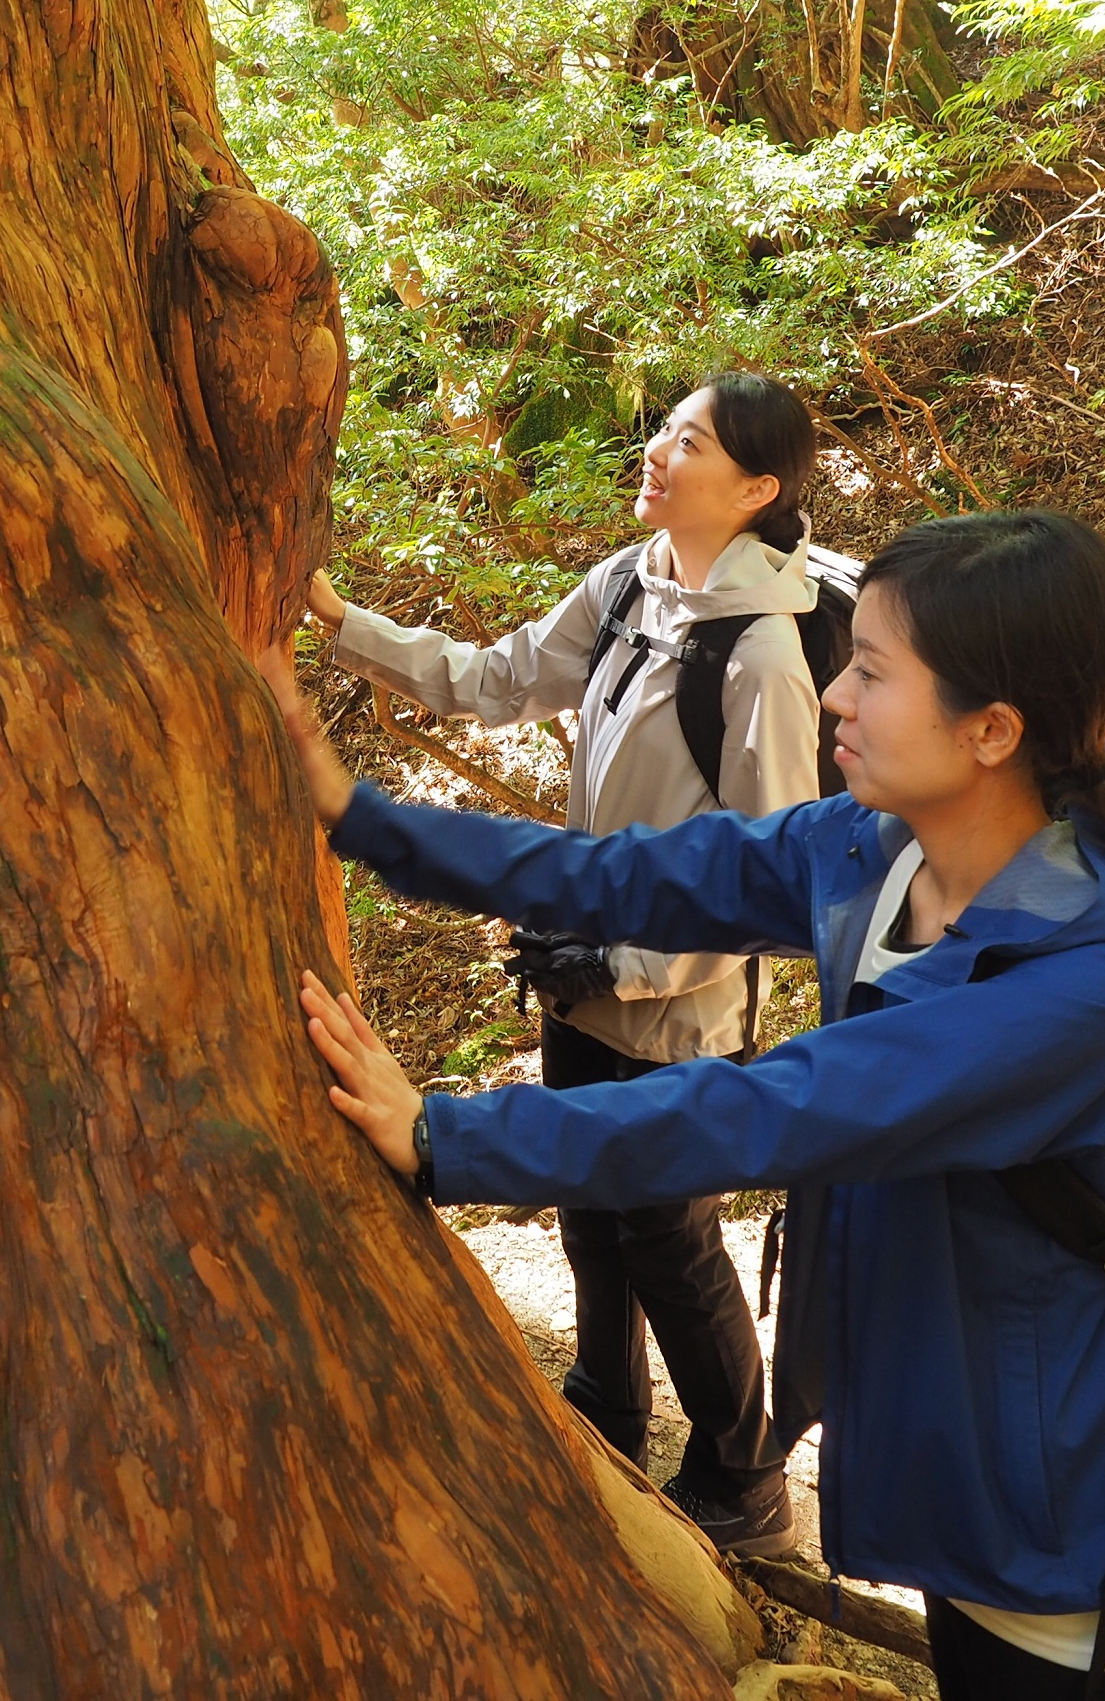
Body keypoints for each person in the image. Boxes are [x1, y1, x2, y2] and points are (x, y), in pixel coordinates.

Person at [272, 510, 1105, 1699]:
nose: (834, 694)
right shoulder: (882, 845)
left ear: (994, 730)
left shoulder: (1092, 982)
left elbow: (775, 1108)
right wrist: (357, 816)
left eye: (873, 672)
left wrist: (447, 1136)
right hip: (966, 1467)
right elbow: (626, 875)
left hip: (1083, 1536)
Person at [302, 372, 825, 1554]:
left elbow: (774, 875)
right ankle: (605, 1407)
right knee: (593, 1210)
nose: (657, 448)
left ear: (754, 487)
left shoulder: (765, 661)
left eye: (687, 439)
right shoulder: (628, 589)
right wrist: (341, 623)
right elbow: (493, 682)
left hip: (677, 1003)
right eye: (665, 427)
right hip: (582, 973)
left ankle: (745, 1481)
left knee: (672, 1236)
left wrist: (625, 963)